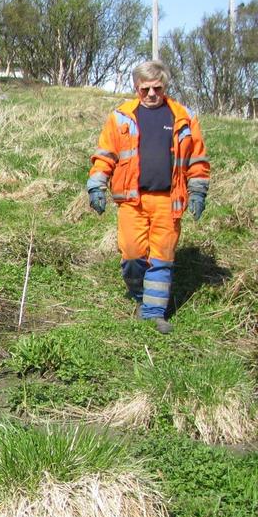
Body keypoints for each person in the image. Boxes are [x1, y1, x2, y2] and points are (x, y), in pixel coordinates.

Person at [86, 60, 210, 334]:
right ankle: (139, 294)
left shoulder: (184, 118)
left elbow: (197, 160)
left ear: (165, 86)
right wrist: (96, 185)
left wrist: (198, 192)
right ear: (136, 88)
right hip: (133, 200)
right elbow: (105, 155)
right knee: (132, 255)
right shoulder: (120, 117)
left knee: (161, 258)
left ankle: (154, 313)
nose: (152, 94)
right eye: (145, 89)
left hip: (169, 201)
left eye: (157, 88)